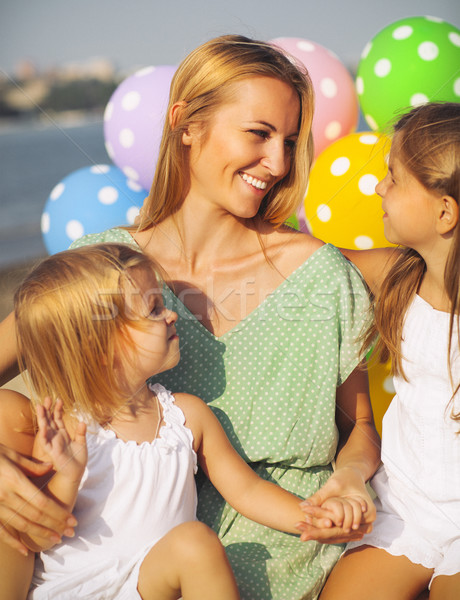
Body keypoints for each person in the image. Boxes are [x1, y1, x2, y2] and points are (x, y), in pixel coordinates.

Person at [0, 35, 381, 600]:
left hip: (279, 553)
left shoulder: (322, 278)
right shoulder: (103, 267)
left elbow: (362, 428)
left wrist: (351, 477)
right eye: (258, 133)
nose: (277, 163)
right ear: (185, 123)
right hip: (111, 560)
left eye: (290, 141)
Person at [8, 241, 331, 600]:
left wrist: (313, 518)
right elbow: (36, 535)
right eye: (154, 310)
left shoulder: (186, 416)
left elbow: (247, 490)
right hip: (80, 590)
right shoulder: (69, 429)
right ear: (100, 347)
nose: (172, 315)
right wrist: (68, 474)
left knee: (195, 545)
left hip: (152, 584)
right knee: (194, 544)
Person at [314, 102, 460, 600]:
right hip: (406, 506)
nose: (379, 187)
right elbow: (310, 262)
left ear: (445, 211)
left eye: (393, 178)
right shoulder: (399, 275)